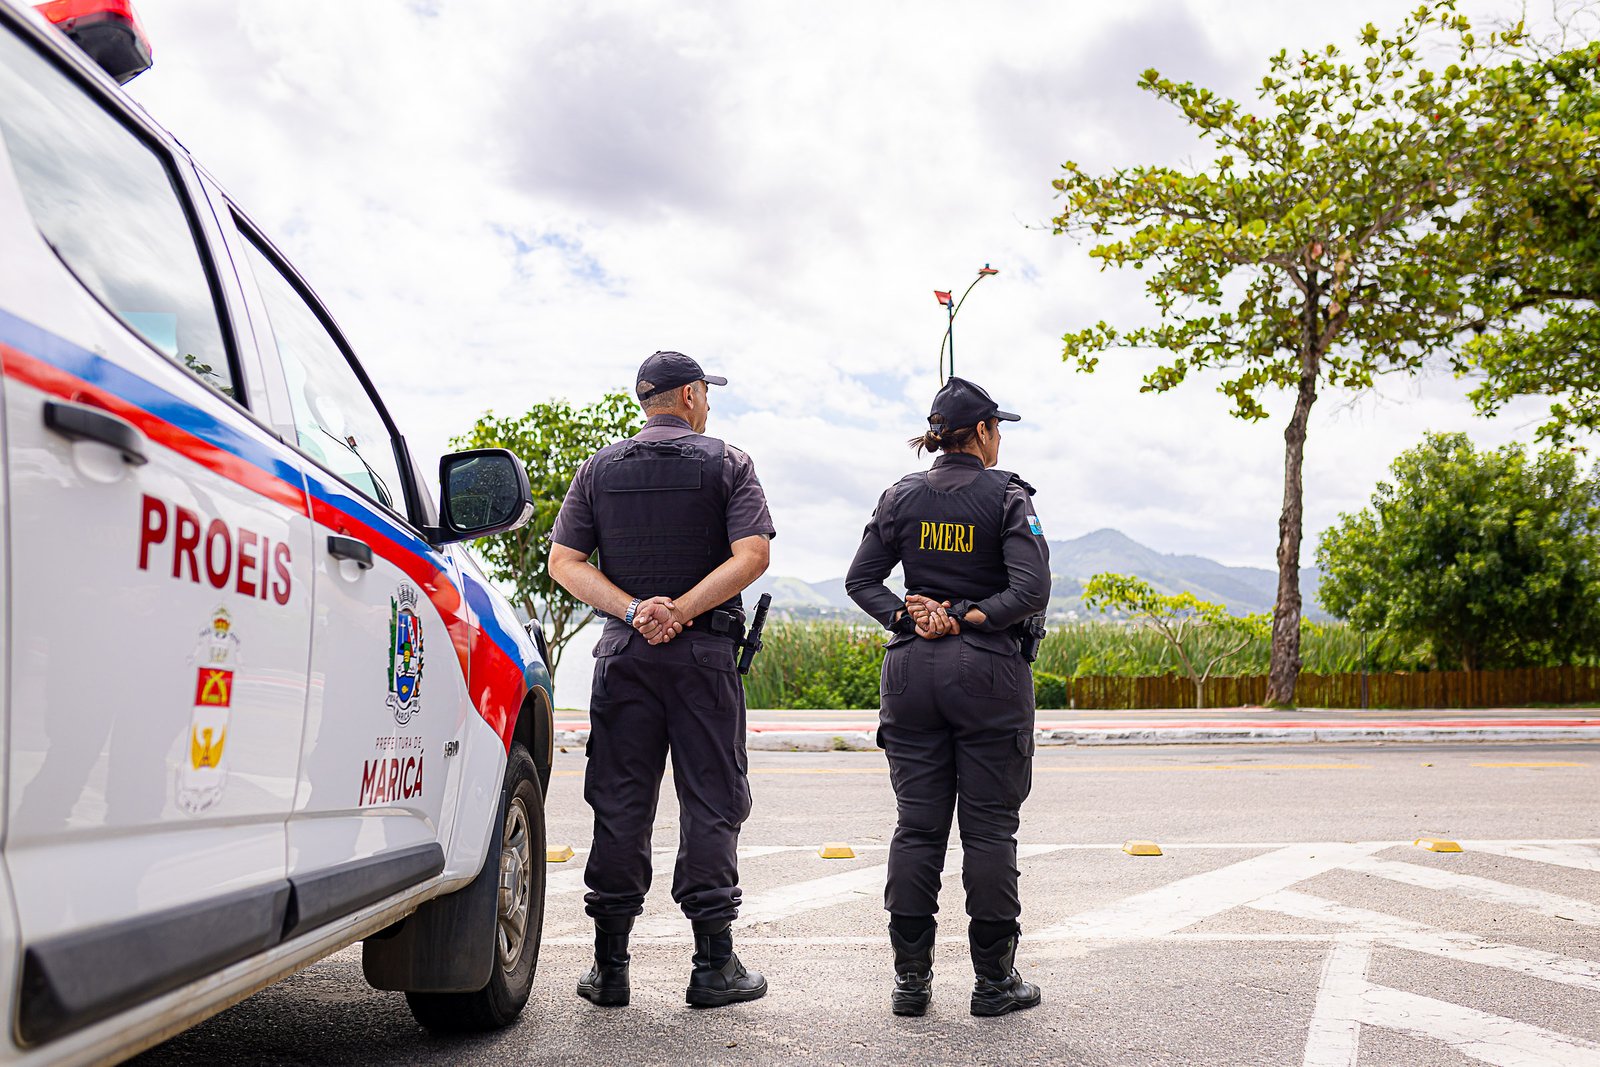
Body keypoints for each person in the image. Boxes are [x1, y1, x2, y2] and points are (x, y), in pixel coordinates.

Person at [548, 350, 776, 1009]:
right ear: (689, 395)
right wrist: (680, 610)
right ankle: (712, 966)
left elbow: (565, 561)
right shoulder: (728, 462)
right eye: (705, 391)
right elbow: (753, 554)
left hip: (624, 655)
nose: (708, 402)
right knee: (711, 799)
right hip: (702, 656)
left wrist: (632, 609)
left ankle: (610, 968)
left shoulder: (599, 468)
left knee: (619, 801)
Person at [844, 375, 1051, 1018]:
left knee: (917, 828)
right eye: (998, 430)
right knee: (989, 829)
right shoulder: (1010, 496)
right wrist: (969, 617)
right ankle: (994, 984)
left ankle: (911, 983)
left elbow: (861, 580)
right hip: (987, 673)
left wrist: (910, 617)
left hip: (911, 676)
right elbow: (1031, 590)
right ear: (984, 433)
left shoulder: (900, 496)